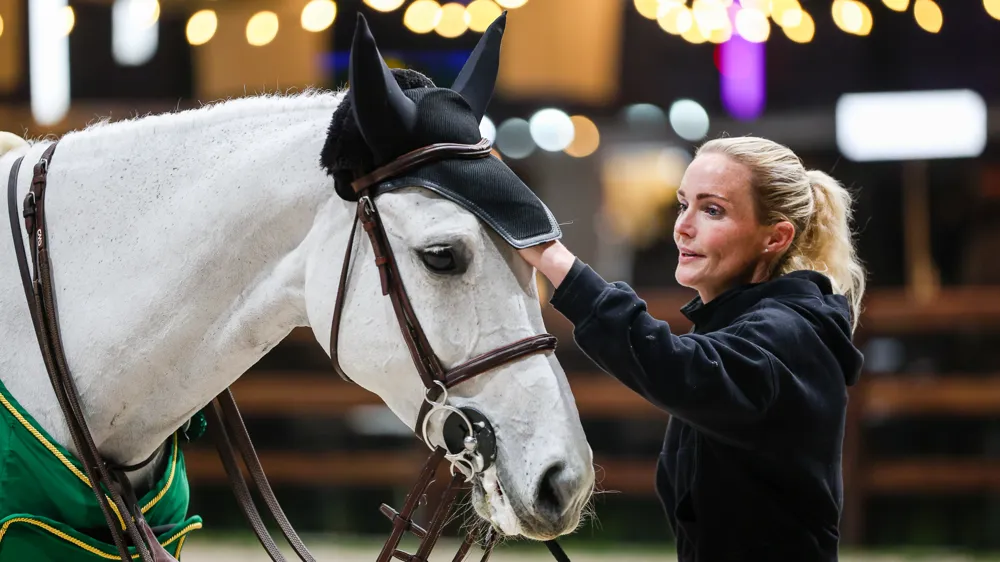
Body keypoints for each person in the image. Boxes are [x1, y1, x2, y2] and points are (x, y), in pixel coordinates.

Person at [519, 136, 867, 561]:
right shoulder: (739, 326)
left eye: (713, 210)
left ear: (774, 238)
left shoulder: (793, 334)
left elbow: (680, 369)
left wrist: (553, 258)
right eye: (684, 204)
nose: (683, 225)